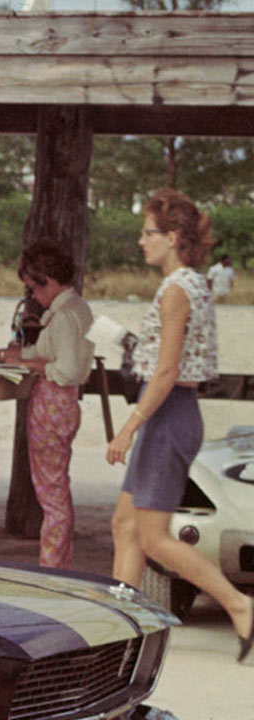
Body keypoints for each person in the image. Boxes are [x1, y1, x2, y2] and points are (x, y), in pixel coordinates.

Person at [107, 188, 253, 662]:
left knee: (151, 536)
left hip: (167, 415)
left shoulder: (176, 290)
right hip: (173, 413)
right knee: (125, 525)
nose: (140, 241)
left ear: (172, 237)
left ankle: (238, 603)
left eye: (148, 232)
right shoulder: (192, 285)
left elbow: (167, 371)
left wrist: (129, 427)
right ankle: (120, 629)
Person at [0, 240, 94, 569]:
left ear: (49, 281)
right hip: (61, 404)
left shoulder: (65, 316)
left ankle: (52, 567)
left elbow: (64, 370)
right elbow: (45, 354)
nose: (32, 297)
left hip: (53, 401)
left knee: (52, 495)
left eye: (33, 289)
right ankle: (56, 562)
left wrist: (30, 366)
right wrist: (1, 355)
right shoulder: (74, 309)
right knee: (55, 488)